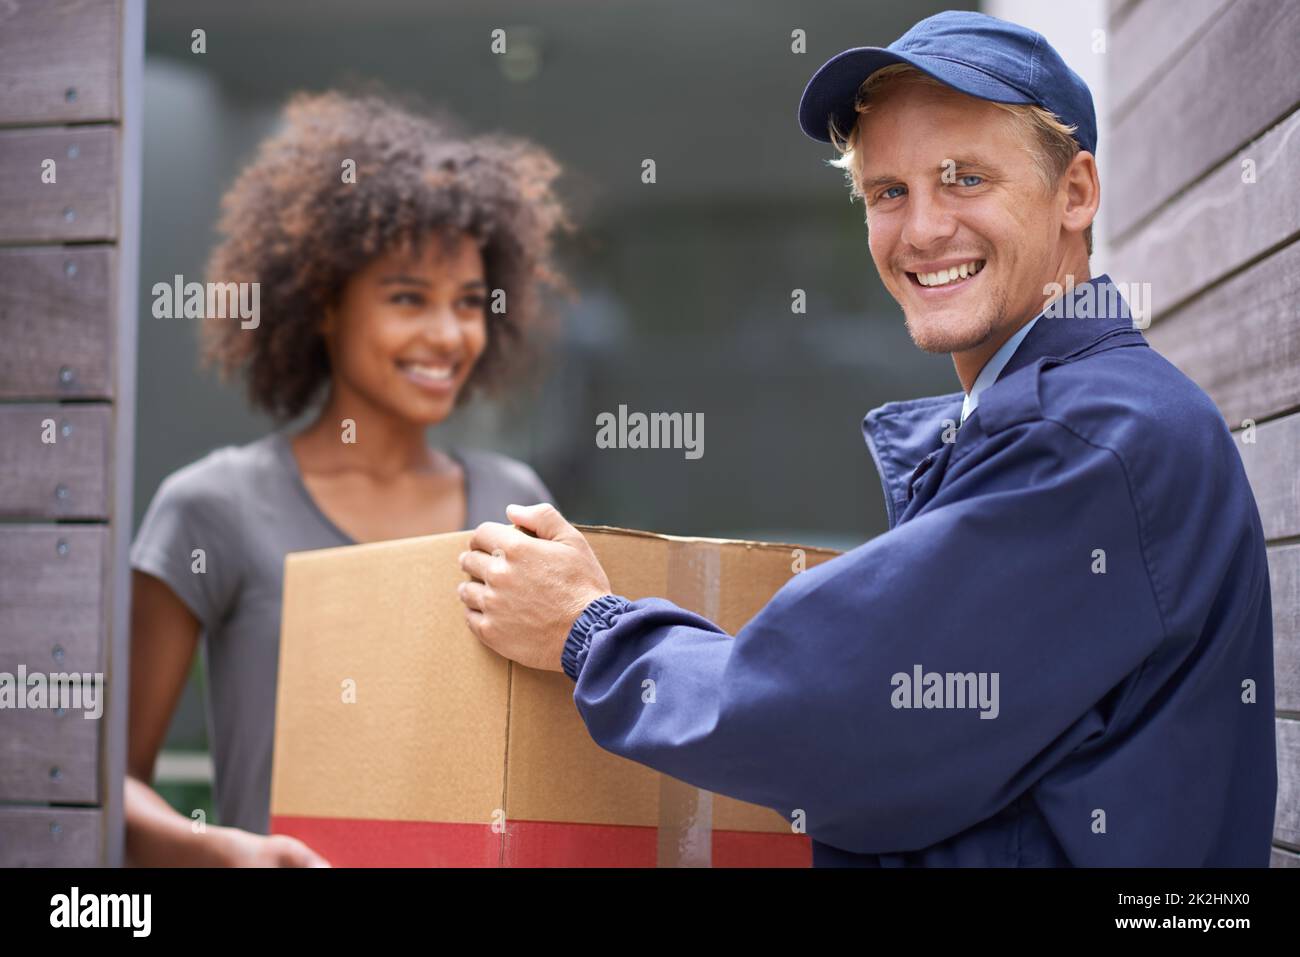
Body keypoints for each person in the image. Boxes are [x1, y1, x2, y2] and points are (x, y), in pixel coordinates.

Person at [455, 11, 1277, 866]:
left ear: (1076, 192)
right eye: (890, 192)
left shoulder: (1093, 438)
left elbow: (831, 715)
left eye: (964, 178)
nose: (921, 230)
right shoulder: (1045, 422)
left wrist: (589, 631)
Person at [128, 91, 568, 865]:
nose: (447, 334)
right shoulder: (213, 507)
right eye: (407, 298)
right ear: (325, 306)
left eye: (468, 303)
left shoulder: (513, 502)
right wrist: (226, 853)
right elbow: (105, 784)